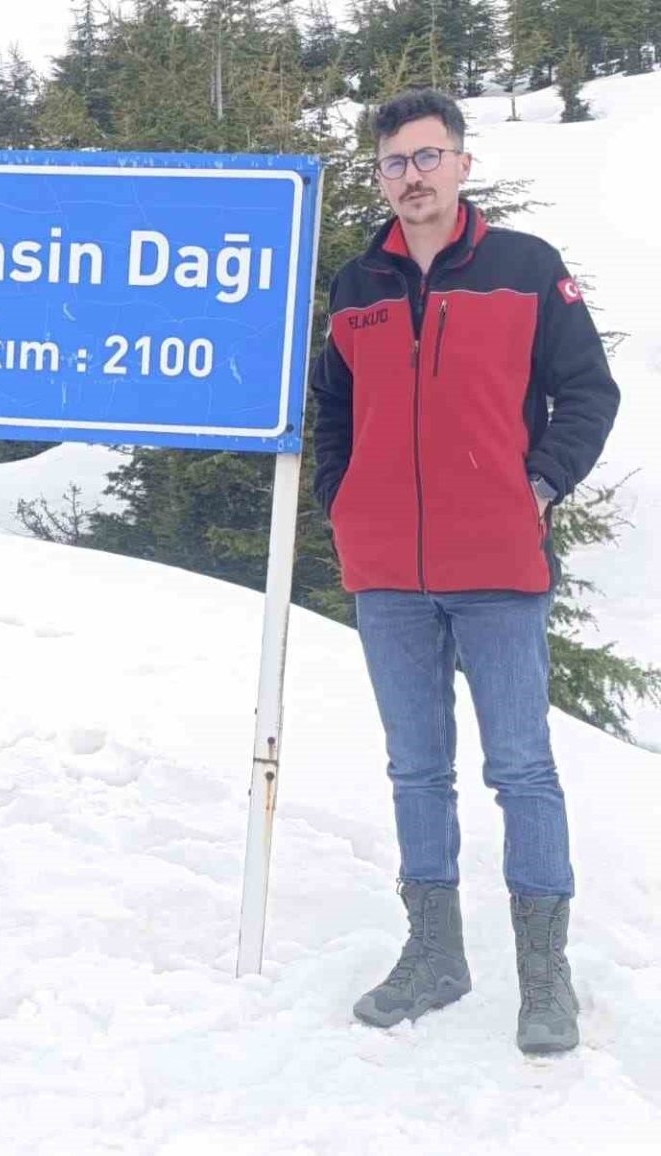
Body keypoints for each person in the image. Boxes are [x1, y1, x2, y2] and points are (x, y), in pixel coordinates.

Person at [312, 88, 620, 1053]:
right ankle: (435, 955)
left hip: (497, 565)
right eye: (394, 162)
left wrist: (541, 482)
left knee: (521, 768)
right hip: (388, 574)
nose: (412, 177)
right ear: (380, 175)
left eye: (428, 156)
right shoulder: (357, 284)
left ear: (461, 163)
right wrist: (342, 499)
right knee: (416, 769)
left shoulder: (526, 268)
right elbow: (333, 412)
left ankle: (545, 974)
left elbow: (588, 391)